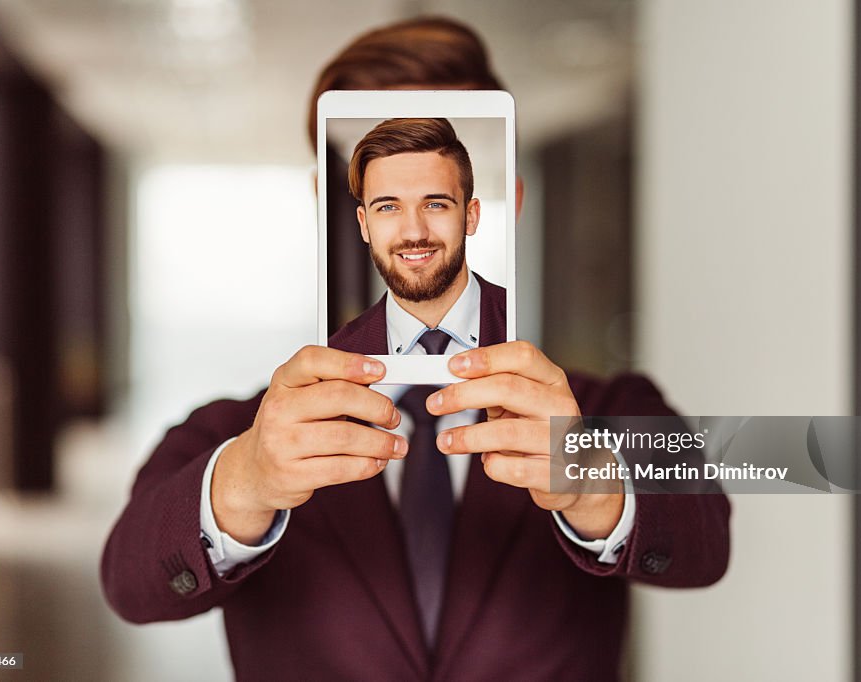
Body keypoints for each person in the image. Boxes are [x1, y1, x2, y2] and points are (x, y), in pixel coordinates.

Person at [101, 17, 730, 681]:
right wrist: (244, 482)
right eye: (387, 191)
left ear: (488, 203)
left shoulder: (606, 410)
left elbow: (707, 541)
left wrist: (594, 478)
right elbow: (128, 582)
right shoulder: (239, 431)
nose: (414, 223)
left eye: (435, 190)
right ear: (354, 215)